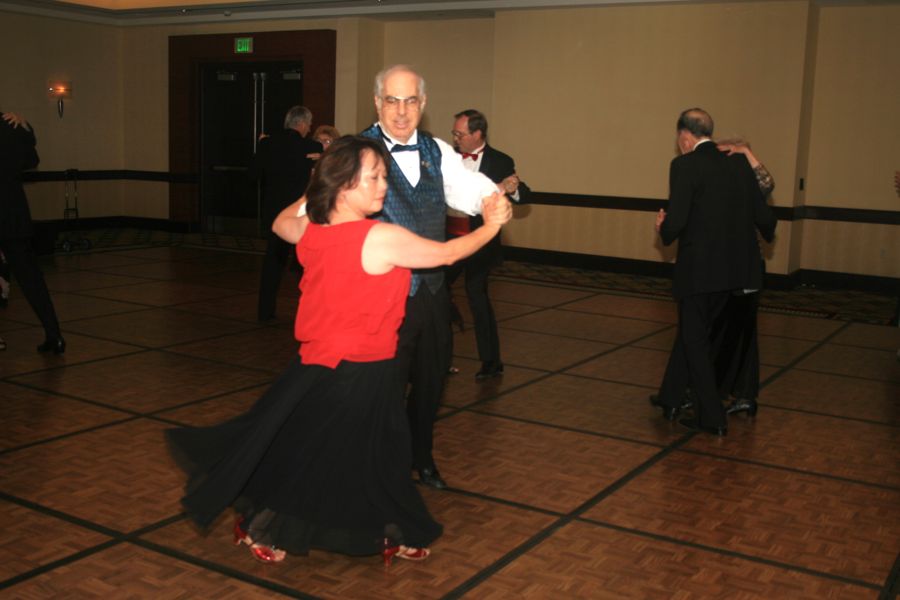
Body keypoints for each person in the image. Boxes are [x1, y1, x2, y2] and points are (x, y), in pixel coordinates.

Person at [168, 136, 510, 565]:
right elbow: (444, 254)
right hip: (352, 370)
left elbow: (279, 224)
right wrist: (492, 227)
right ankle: (263, 526)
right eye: (373, 178)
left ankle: (390, 529)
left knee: (379, 453)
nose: (383, 186)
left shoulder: (312, 227)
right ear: (345, 185)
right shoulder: (379, 237)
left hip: (350, 364)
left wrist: (313, 188)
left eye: (384, 176)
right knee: (327, 455)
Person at [358, 65, 510, 490]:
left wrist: (492, 201)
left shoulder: (436, 149)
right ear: (377, 103)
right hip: (381, 294)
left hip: (432, 290)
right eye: (392, 100)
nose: (401, 111)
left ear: (423, 105)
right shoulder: (358, 151)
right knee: (382, 387)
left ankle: (420, 456)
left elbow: (467, 185)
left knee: (431, 381)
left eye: (410, 101)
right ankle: (380, 466)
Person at [653, 108, 776, 436]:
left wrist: (664, 229)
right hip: (736, 273)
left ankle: (712, 416)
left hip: (699, 271)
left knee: (695, 340)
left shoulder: (683, 165)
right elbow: (766, 219)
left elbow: (677, 220)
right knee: (695, 335)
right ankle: (670, 396)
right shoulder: (737, 165)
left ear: (684, 137)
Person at [446, 109, 530, 380]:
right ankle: (439, 356)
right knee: (435, 296)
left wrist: (512, 187)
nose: (456, 138)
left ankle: (492, 362)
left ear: (477, 134)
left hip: (481, 243)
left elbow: (524, 193)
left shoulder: (499, 160)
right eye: (455, 133)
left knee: (477, 296)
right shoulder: (448, 157)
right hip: (448, 241)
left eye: (460, 134)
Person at [714, 140, 776, 416]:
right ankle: (723, 389)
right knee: (726, 332)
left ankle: (745, 395)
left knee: (745, 336)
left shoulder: (749, 191)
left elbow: (767, 182)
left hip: (747, 270)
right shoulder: (725, 192)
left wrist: (746, 152)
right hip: (725, 270)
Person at [0, 111, 65, 354]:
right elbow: (31, 161)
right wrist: (26, 128)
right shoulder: (13, 125)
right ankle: (54, 334)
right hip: (14, 215)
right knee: (31, 280)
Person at [251, 105, 322, 322]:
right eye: (309, 124)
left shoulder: (268, 144)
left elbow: (253, 173)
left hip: (274, 214)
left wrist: (263, 145)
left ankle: (264, 312)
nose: (309, 128)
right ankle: (311, 314)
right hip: (301, 215)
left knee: (272, 264)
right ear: (302, 124)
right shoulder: (312, 146)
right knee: (306, 267)